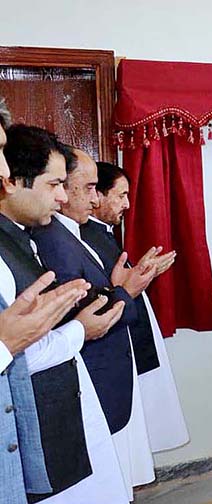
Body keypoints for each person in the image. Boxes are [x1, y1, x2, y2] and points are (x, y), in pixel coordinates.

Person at [2, 123, 130, 503]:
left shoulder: (23, 236)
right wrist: (80, 330)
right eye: (53, 184)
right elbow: (22, 354)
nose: (62, 197)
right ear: (17, 183)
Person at [30, 144, 161, 499]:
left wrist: (124, 285)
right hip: (88, 372)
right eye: (88, 188)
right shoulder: (52, 239)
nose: (95, 197)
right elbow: (83, 313)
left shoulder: (72, 233)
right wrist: (126, 292)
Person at [81, 161, 189, 453]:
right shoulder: (84, 236)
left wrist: (143, 273)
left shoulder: (101, 234)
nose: (127, 204)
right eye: (121, 195)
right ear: (97, 195)